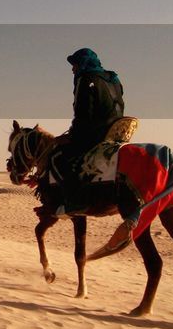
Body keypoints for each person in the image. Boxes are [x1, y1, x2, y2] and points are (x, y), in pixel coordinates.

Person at [50, 48, 125, 213]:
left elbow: (83, 114)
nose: (72, 69)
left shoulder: (85, 79)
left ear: (82, 64)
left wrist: (71, 136)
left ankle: (74, 201)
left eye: (75, 65)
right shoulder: (114, 79)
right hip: (117, 133)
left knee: (58, 157)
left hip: (96, 134)